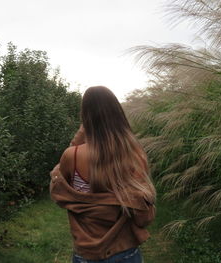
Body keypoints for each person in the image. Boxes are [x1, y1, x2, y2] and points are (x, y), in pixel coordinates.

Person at [49, 86, 156, 263]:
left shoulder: (72, 156)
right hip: (125, 252)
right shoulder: (135, 155)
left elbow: (57, 184)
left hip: (85, 253)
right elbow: (143, 218)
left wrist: (81, 134)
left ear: (85, 117)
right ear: (118, 114)